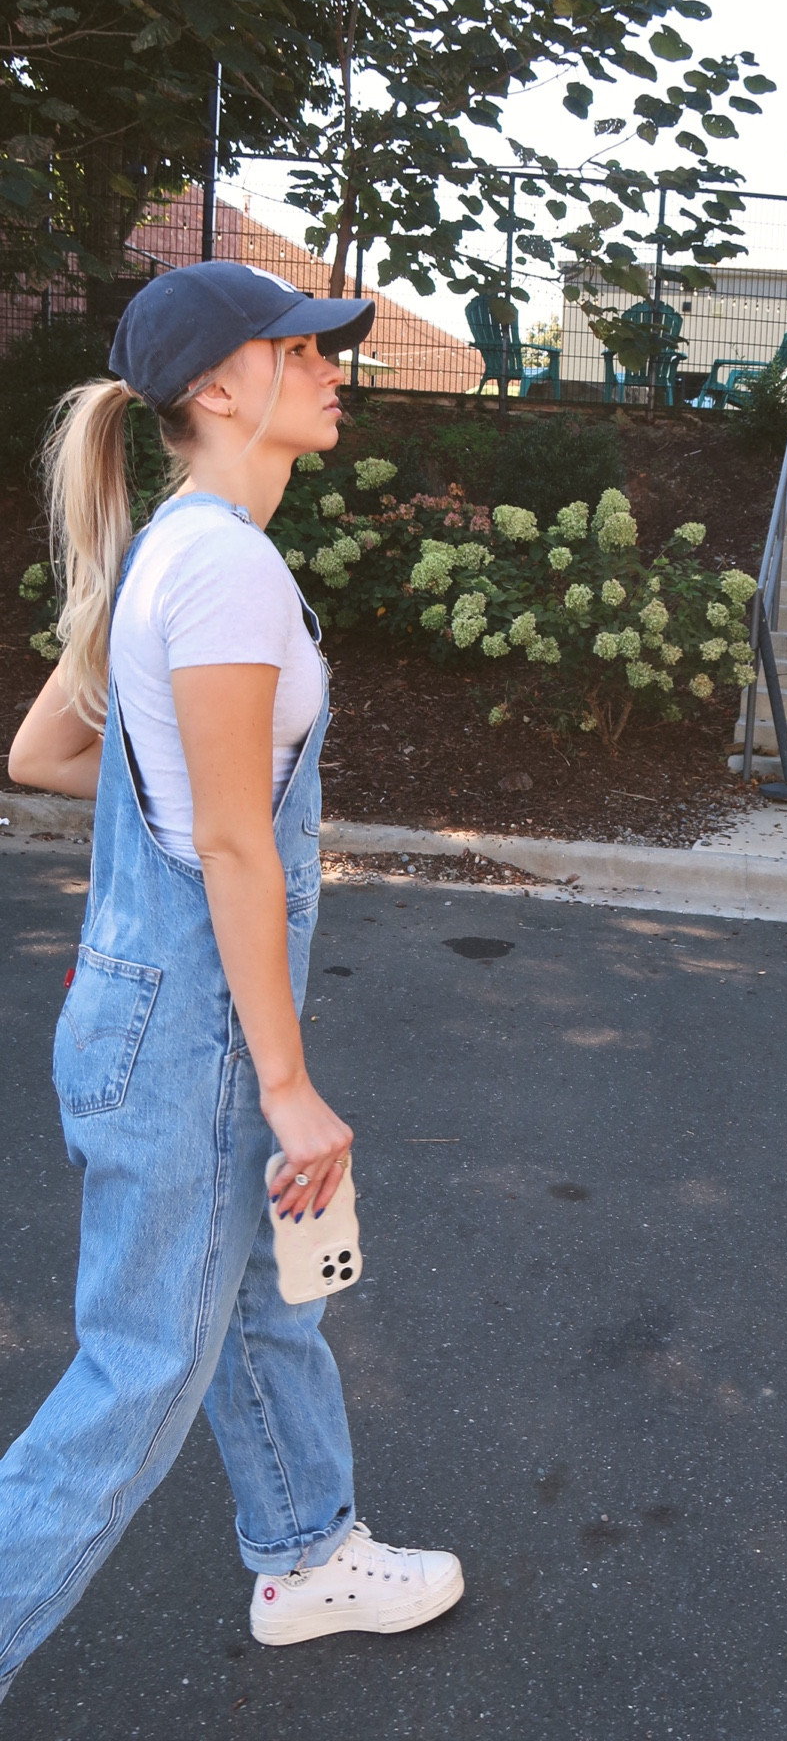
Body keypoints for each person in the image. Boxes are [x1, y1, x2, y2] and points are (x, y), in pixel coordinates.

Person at [1, 262, 464, 1700]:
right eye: (304, 352)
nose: (335, 371)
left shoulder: (172, 553)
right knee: (140, 1376)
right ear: (219, 388)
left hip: (147, 1010)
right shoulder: (220, 566)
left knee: (266, 1297)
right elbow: (226, 844)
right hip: (193, 1039)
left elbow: (40, 755)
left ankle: (309, 1550)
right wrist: (285, 1082)